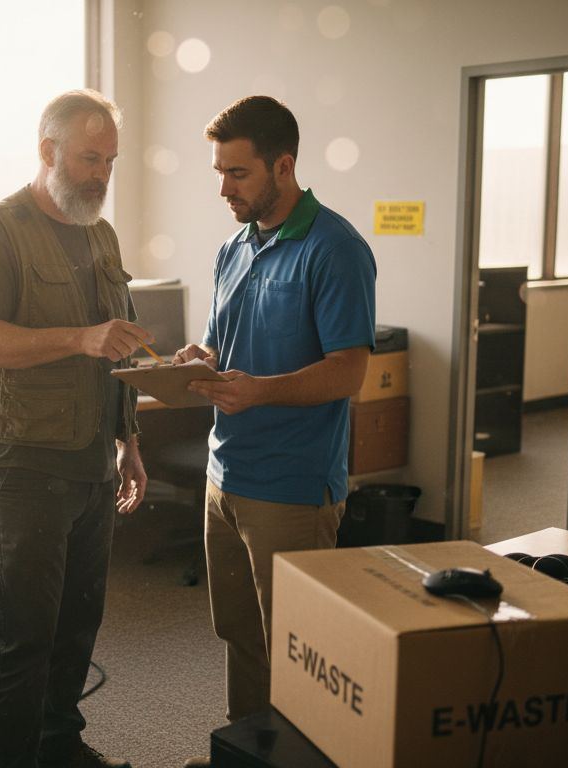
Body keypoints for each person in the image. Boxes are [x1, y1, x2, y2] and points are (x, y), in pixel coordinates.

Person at [174, 95, 376, 767]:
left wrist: (260, 390)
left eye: (237, 174)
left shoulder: (336, 248)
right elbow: (220, 345)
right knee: (240, 634)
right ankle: (246, 754)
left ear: (283, 167)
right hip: (225, 473)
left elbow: (349, 372)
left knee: (298, 651)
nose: (223, 189)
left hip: (291, 484)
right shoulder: (233, 247)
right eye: (219, 173)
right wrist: (198, 360)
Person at [0, 89, 149, 768]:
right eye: (90, 159)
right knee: (25, 635)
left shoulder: (100, 234)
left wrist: (129, 441)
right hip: (24, 464)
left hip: (92, 460)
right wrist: (79, 337)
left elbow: (115, 349)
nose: (102, 174)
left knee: (77, 626)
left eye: (111, 161)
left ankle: (58, 748)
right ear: (48, 151)